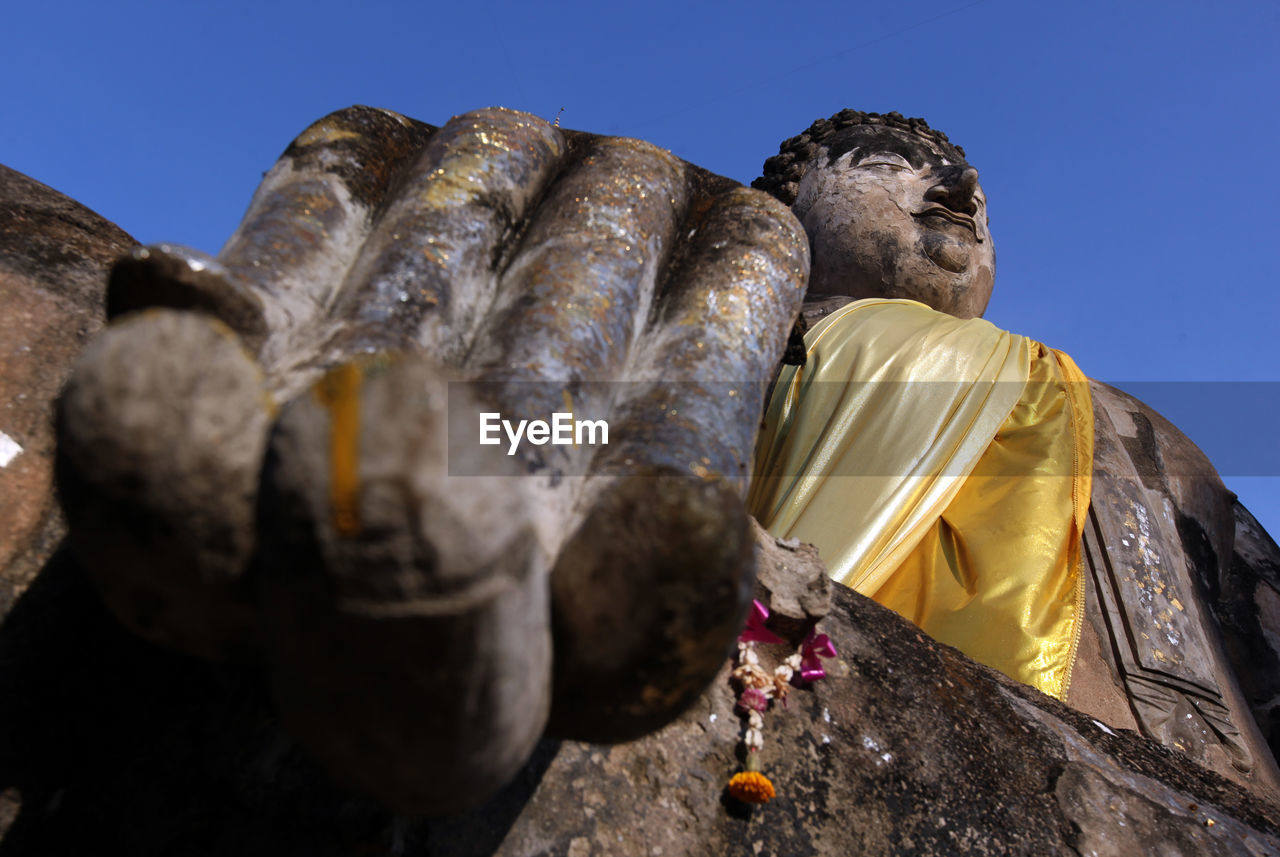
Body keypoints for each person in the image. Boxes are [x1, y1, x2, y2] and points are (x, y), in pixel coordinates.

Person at [747, 109, 1280, 799]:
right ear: (785, 213)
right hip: (850, 741)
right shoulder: (742, 359)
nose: (959, 189)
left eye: (982, 202)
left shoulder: (1132, 425)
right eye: (888, 165)